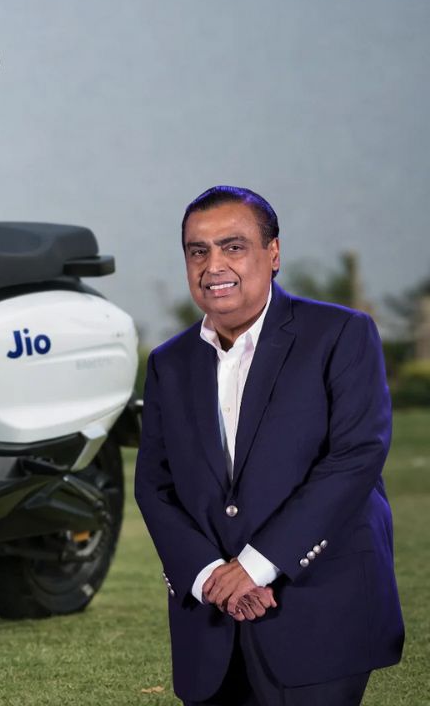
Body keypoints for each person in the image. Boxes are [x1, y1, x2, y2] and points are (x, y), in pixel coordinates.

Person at [135, 185, 404, 705]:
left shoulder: (341, 334)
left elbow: (355, 458)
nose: (213, 265)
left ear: (273, 253)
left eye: (233, 247)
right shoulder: (168, 363)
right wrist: (211, 576)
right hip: (208, 621)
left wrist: (256, 567)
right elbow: (154, 485)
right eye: (198, 251)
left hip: (319, 613)